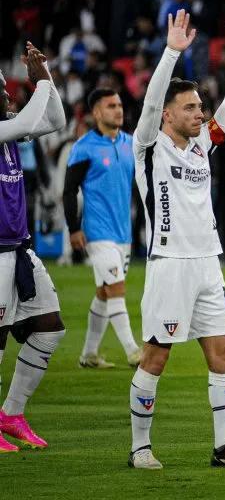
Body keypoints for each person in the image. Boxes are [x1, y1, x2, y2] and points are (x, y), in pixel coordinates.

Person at [128, 8, 225, 469]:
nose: (199, 114)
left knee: (224, 353)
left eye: (198, 108)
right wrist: (170, 53)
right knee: (157, 355)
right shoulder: (149, 145)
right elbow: (149, 105)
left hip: (209, 262)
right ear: (168, 115)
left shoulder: (202, 143)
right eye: (189, 108)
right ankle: (140, 447)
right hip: (169, 262)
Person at [0, 44, 67, 453]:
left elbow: (54, 119)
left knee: (50, 326)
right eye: (1, 89)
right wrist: (37, 82)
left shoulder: (8, 123)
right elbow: (28, 118)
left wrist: (44, 78)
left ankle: (11, 412)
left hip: (19, 250)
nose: (8, 93)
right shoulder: (8, 125)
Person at [64, 87, 140, 369]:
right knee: (117, 288)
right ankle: (133, 351)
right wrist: (74, 228)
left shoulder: (129, 143)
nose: (118, 110)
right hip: (97, 232)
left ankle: (89, 354)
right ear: (96, 113)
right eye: (111, 106)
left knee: (104, 293)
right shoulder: (84, 147)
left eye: (119, 104)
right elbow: (69, 190)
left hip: (123, 233)